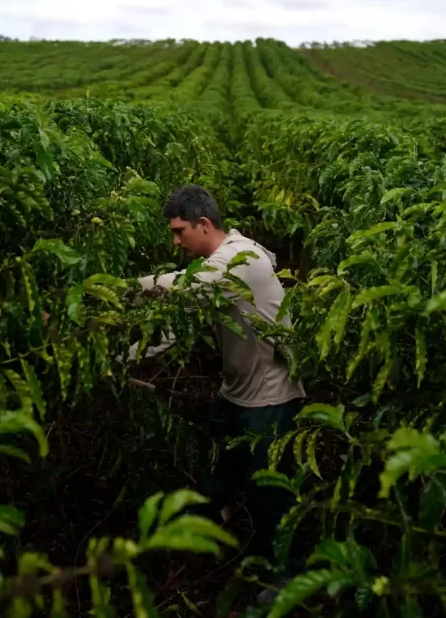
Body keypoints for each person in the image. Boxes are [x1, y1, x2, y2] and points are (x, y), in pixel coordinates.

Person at [130, 184, 305, 594]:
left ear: (204, 224)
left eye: (179, 232)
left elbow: (182, 289)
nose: (175, 241)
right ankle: (203, 535)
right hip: (237, 390)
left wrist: (121, 289)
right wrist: (117, 357)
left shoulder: (237, 261)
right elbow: (176, 327)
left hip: (271, 395)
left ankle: (288, 576)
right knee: (217, 469)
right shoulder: (222, 261)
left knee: (269, 492)